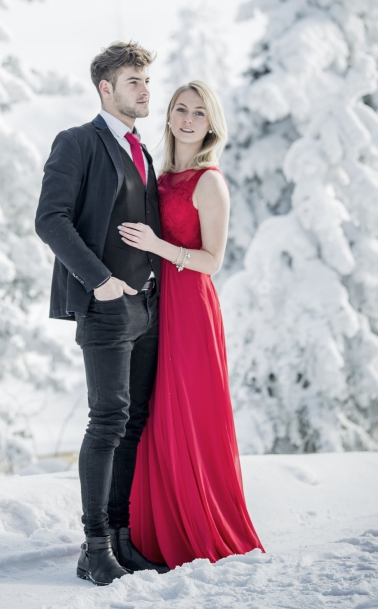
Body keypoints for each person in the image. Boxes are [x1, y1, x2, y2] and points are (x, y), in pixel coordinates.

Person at [35, 41, 169, 586]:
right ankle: (93, 547)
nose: (145, 90)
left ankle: (118, 539)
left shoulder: (142, 149)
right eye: (133, 81)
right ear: (105, 88)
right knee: (108, 420)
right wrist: (103, 282)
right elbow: (51, 219)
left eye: (146, 81)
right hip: (106, 305)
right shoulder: (78, 142)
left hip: (147, 306)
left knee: (133, 421)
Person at [120, 80, 264, 569]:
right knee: (155, 415)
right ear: (169, 116)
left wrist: (157, 247)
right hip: (157, 305)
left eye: (198, 113)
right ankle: (152, 530)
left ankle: (199, 528)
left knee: (188, 415)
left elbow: (213, 261)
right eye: (180, 109)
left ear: (210, 124)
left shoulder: (210, 182)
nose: (187, 119)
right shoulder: (159, 177)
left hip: (192, 310)